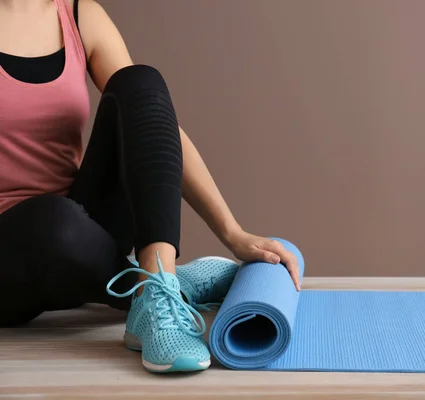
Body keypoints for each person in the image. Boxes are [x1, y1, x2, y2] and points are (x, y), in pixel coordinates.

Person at [0, 0, 301, 373]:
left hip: (82, 231)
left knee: (139, 81)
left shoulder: (78, 15)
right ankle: (162, 282)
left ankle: (156, 284)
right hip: (14, 255)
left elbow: (152, 126)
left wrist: (232, 232)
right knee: (53, 222)